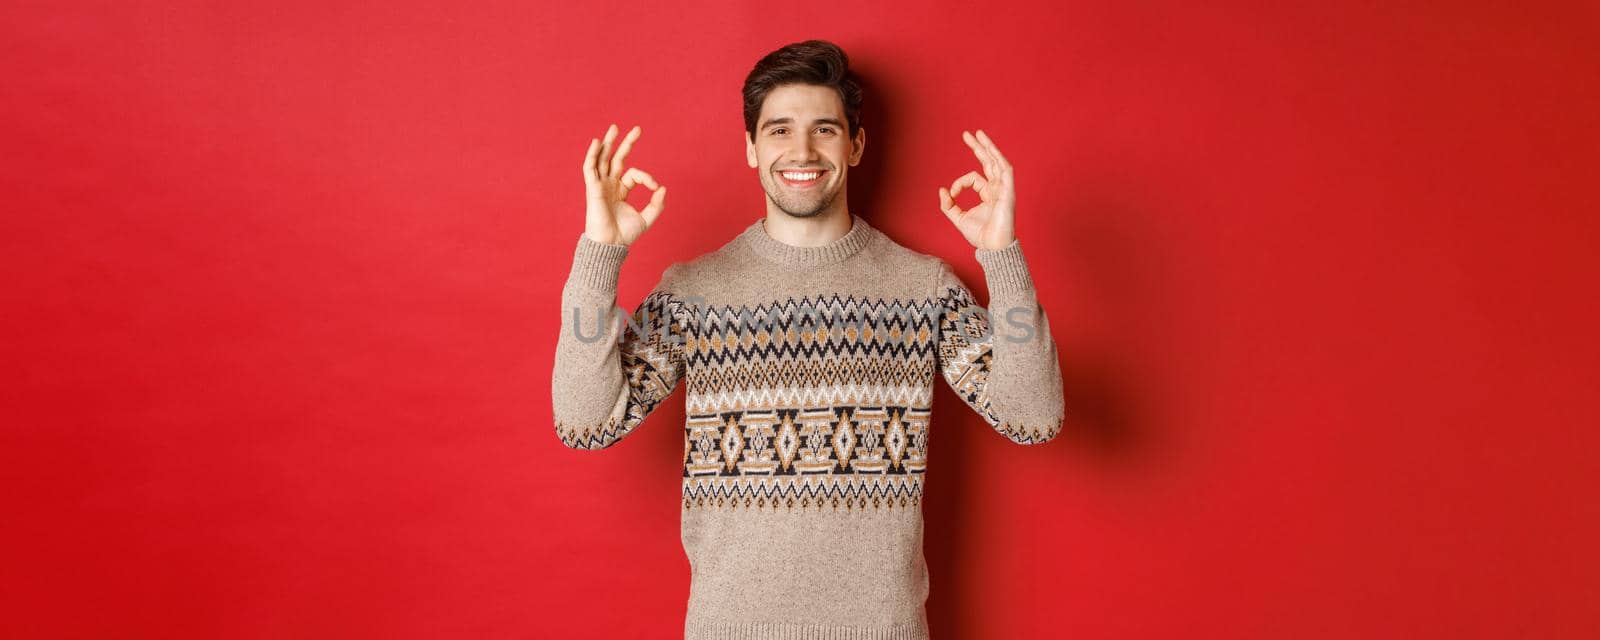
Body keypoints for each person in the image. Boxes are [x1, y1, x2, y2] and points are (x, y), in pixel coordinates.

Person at [551, 39, 1065, 640]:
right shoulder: (695, 291)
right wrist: (599, 257)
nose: (801, 151)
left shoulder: (919, 287)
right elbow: (584, 422)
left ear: (856, 144)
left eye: (824, 129)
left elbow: (1035, 416)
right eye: (778, 130)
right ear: (750, 147)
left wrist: (1002, 259)